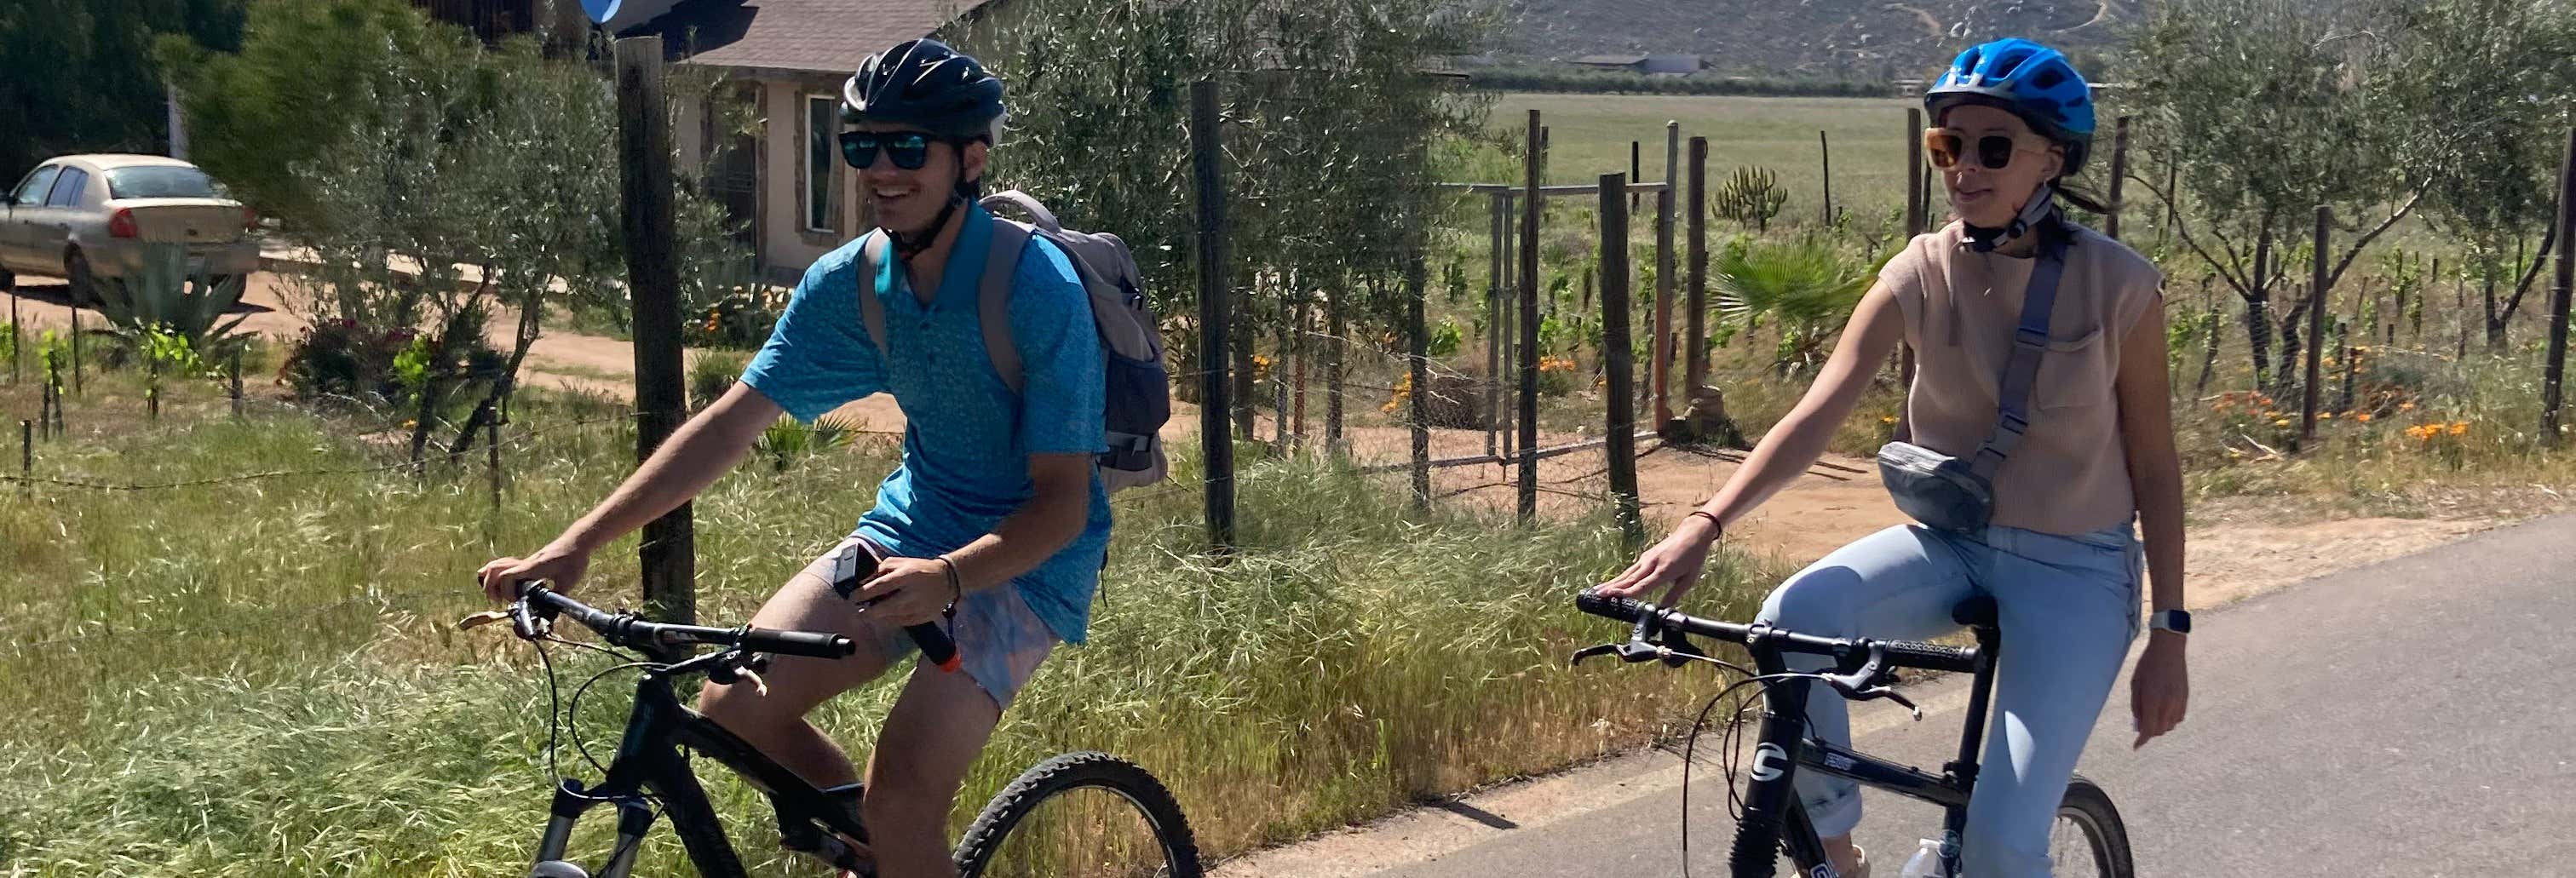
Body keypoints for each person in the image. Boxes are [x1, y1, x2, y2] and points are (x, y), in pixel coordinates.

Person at [477, 38, 1112, 878]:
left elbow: (1063, 503)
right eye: (858, 146)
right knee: (735, 706)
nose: (881, 169)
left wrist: (950, 578)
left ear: (971, 160)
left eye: (909, 148)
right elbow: (731, 424)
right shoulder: (851, 283)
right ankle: (874, 851)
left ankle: (891, 834)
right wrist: (579, 539)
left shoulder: (1038, 289)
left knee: (904, 799)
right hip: (913, 522)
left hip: (1025, 557)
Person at [1596, 37, 2188, 877]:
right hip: (1953, 542)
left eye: (1993, 147)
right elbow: (1815, 413)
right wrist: (1705, 520)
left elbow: (2158, 469)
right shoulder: (1919, 270)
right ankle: (1838, 856)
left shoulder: (2121, 286)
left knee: (2000, 846)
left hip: (2077, 570)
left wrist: (2171, 631)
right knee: (1789, 622)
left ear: (2052, 158)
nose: (1964, 168)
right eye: (1948, 146)